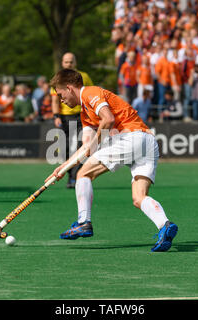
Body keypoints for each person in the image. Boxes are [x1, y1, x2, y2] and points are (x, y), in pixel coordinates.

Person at [47, 68, 178, 252]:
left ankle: (83, 222)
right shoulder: (85, 114)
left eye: (61, 94)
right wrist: (64, 167)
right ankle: (165, 225)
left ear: (69, 88)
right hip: (147, 142)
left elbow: (107, 120)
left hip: (131, 138)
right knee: (139, 197)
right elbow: (86, 148)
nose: (61, 100)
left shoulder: (90, 93)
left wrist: (94, 146)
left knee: (83, 174)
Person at [51, 52, 94, 188]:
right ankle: (70, 175)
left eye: (71, 62)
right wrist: (56, 116)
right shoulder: (57, 78)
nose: (69, 64)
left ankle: (76, 177)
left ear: (75, 63)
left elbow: (90, 93)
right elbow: (55, 100)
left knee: (81, 146)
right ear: (62, 63)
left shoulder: (84, 76)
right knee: (66, 148)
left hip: (81, 115)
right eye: (66, 62)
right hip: (65, 118)